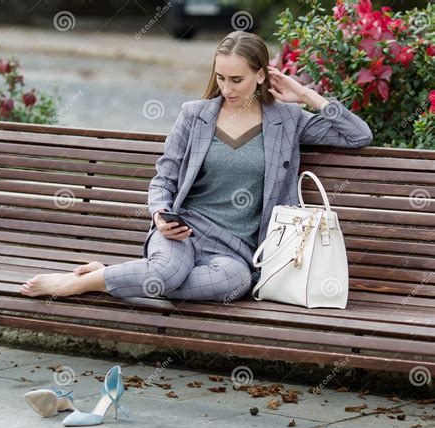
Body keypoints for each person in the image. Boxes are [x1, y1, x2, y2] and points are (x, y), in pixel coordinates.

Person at [19, 30, 372, 303]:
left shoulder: (288, 120)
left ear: (262, 76)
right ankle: (80, 282)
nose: (227, 88)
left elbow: (358, 135)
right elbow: (164, 177)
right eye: (221, 78)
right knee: (166, 273)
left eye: (237, 80)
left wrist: (305, 95)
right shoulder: (195, 115)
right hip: (183, 232)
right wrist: (159, 215)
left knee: (233, 285)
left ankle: (112, 274)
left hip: (237, 252)